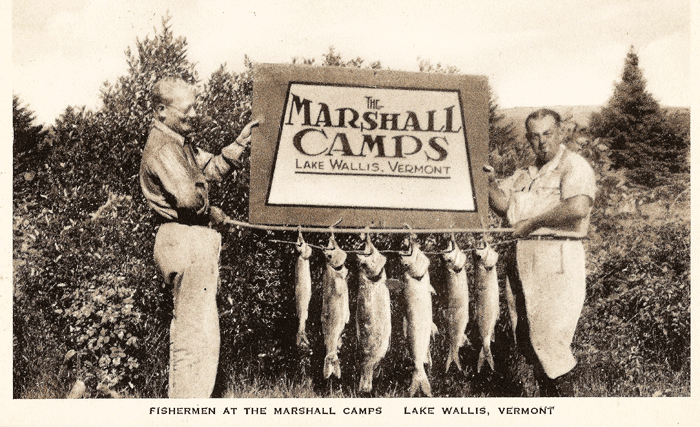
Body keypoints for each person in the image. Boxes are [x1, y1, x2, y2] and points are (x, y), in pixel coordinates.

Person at [139, 76, 259, 398]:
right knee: (195, 339)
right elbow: (190, 201)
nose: (194, 113)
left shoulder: (181, 144)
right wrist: (213, 213)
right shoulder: (164, 148)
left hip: (190, 241)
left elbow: (214, 167)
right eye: (186, 108)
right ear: (162, 111)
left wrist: (241, 142)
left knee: (201, 335)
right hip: (184, 240)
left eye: (195, 106)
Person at [488, 108, 596, 397]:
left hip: (557, 258)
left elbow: (577, 208)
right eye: (534, 136)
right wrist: (483, 181)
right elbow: (503, 206)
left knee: (550, 342)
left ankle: (563, 406)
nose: (542, 142)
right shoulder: (527, 172)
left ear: (560, 133)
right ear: (528, 139)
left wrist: (533, 223)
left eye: (548, 134)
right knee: (527, 339)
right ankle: (547, 403)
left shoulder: (574, 166)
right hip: (523, 261)